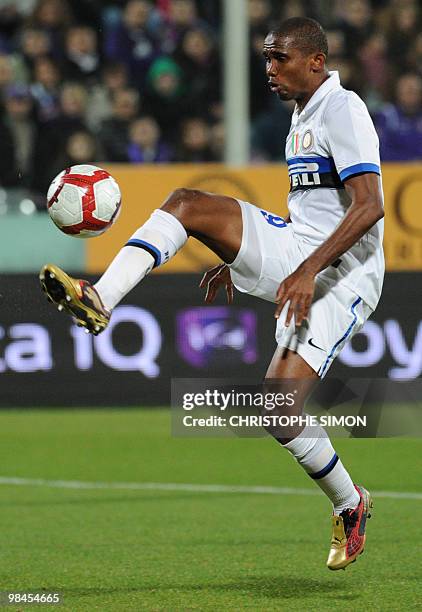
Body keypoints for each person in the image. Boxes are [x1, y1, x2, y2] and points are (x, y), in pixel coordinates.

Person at [39, 17, 383, 571]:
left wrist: (304, 271)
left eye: (280, 59)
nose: (269, 70)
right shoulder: (301, 115)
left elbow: (370, 207)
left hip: (342, 274)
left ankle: (351, 502)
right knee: (187, 204)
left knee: (277, 406)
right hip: (300, 249)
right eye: (266, 59)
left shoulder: (343, 109)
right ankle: (100, 297)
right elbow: (312, 211)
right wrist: (245, 256)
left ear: (316, 60)